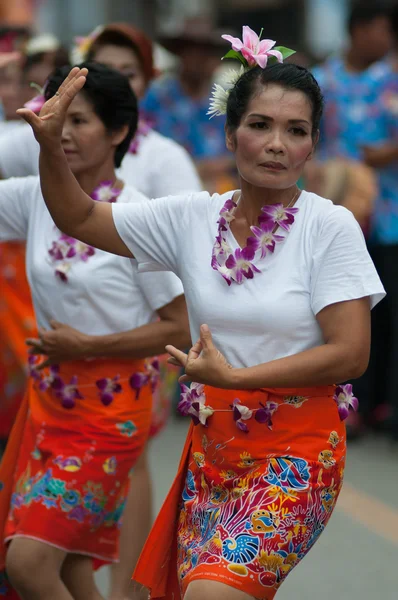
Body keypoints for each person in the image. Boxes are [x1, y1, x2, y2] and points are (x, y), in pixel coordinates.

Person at [16, 33, 385, 600]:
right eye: (260, 125)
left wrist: (235, 379)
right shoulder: (191, 217)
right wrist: (47, 146)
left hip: (298, 455)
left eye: (296, 131)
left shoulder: (327, 226)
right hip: (214, 455)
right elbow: (81, 217)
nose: (276, 144)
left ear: (313, 146)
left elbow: (350, 353)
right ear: (231, 131)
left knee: (213, 593)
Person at [0, 26, 202, 599]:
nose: (62, 133)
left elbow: (177, 327)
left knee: (29, 565)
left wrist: (85, 346)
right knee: (67, 569)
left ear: (118, 132)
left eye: (80, 120)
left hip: (110, 414)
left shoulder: (140, 219)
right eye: (57, 117)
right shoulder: (35, 197)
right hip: (48, 406)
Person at [310, 1, 394, 438]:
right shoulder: (321, 81)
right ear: (358, 30)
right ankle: (349, 402)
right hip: (337, 211)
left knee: (388, 312)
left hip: (391, 216)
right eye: (382, 28)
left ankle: (383, 404)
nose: (387, 37)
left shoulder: (393, 78)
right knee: (345, 306)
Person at [141, 17, 236, 192]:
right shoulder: (155, 97)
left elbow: (241, 152)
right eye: (191, 51)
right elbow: (141, 150)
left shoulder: (230, 100)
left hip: (221, 195)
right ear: (180, 53)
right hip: (165, 192)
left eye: (204, 52)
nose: (197, 59)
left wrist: (223, 165)